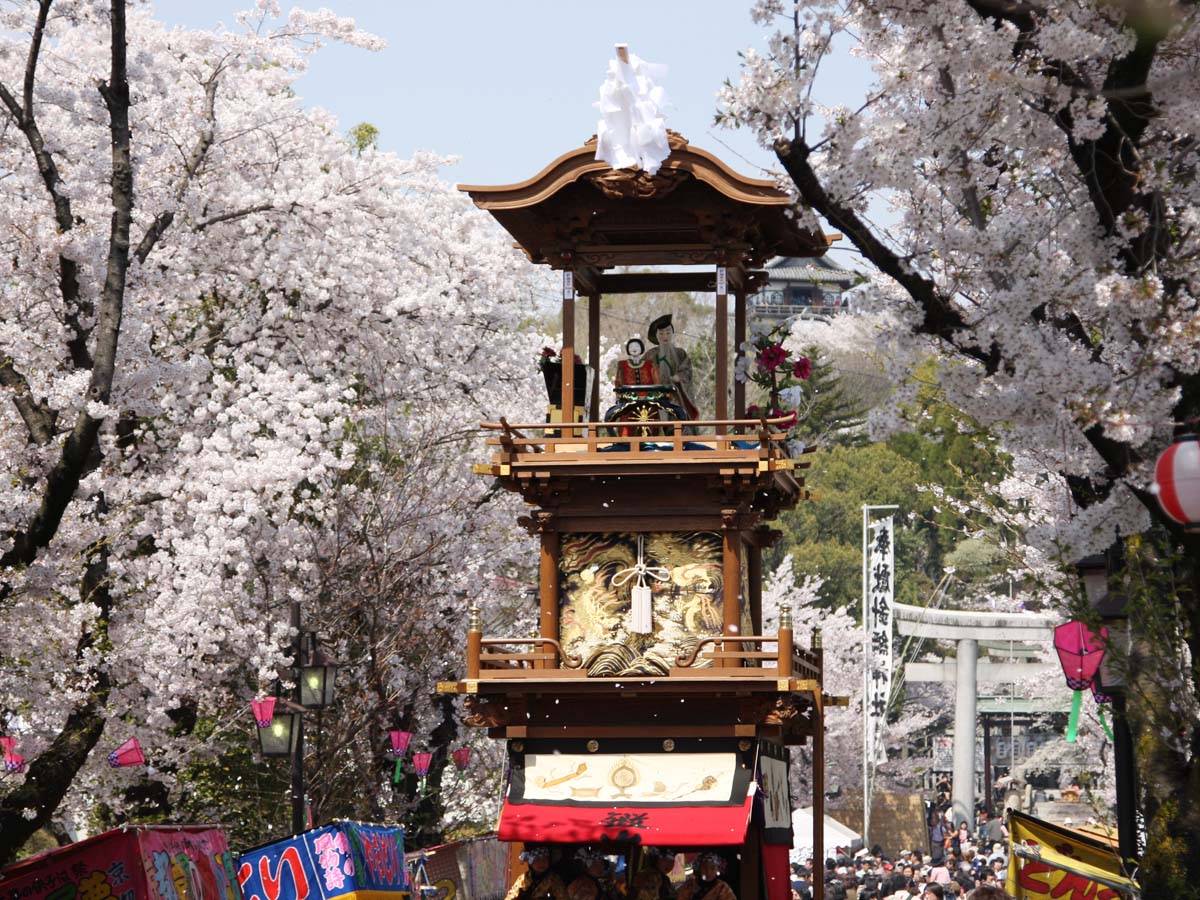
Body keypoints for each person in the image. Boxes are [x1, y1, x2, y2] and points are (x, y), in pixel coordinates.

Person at [647, 314, 698, 419]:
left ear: (672, 334)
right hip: (655, 396)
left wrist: (679, 377)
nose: (665, 336)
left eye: (668, 333)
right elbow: (644, 371)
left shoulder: (680, 353)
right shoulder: (650, 355)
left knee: (678, 417)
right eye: (661, 333)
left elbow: (687, 370)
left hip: (676, 395)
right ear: (656, 336)